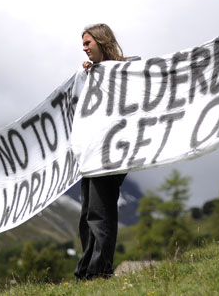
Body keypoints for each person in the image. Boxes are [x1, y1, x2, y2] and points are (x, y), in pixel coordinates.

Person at [75, 23, 128, 280]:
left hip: (111, 154)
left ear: (102, 42)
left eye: (88, 43)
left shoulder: (125, 70)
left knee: (100, 213)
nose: (84, 49)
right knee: (87, 213)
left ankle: (99, 272)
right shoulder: (92, 74)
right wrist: (89, 76)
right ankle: (87, 271)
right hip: (92, 152)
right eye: (83, 44)